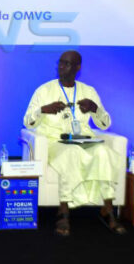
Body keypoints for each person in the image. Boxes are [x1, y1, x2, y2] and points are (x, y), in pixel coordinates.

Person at [23, 50, 126, 236]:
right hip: (55, 140)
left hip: (83, 139)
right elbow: (28, 122)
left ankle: (108, 209)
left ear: (78, 68)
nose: (61, 67)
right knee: (71, 153)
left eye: (67, 64)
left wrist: (95, 109)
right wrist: (43, 110)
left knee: (103, 152)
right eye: (60, 62)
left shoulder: (88, 91)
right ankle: (63, 211)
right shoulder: (44, 90)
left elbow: (105, 124)